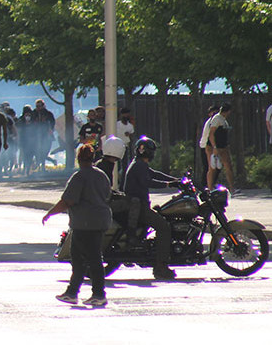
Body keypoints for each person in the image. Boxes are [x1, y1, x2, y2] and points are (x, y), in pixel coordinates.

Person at [42, 144, 111, 306]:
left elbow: (68, 201)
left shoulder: (79, 177)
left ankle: (96, 294)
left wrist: (50, 213)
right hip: (100, 221)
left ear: (79, 159)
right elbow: (107, 195)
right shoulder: (101, 175)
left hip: (84, 224)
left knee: (85, 259)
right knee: (88, 258)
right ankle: (73, 292)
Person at [123, 136, 181, 280]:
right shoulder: (139, 165)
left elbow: (154, 174)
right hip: (139, 207)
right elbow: (148, 181)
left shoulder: (138, 163)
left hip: (137, 205)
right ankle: (160, 267)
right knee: (164, 227)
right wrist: (169, 185)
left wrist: (174, 180)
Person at [207, 103, 236, 193]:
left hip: (223, 146)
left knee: (228, 166)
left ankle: (232, 188)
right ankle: (210, 188)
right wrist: (214, 147)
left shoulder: (223, 120)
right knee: (212, 168)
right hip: (214, 147)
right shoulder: (217, 119)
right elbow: (211, 134)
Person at [31, 99, 56, 172]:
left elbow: (52, 123)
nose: (38, 108)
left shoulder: (48, 114)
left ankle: (43, 166)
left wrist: (51, 129)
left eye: (39, 106)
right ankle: (40, 166)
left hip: (46, 135)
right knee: (37, 151)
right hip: (36, 136)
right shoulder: (33, 113)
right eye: (37, 106)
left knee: (45, 151)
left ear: (43, 105)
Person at [199, 105, 220, 189]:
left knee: (214, 167)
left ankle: (209, 184)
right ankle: (206, 185)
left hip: (208, 145)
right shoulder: (211, 122)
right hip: (206, 146)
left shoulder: (214, 121)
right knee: (209, 167)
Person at [115, 107, 134, 172]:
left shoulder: (130, 126)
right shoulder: (117, 124)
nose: (126, 116)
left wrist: (129, 135)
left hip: (125, 146)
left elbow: (132, 136)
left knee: (125, 165)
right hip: (117, 146)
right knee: (118, 165)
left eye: (127, 114)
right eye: (125, 114)